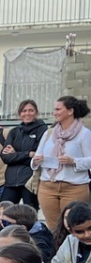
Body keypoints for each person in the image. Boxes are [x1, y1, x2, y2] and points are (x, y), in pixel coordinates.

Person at [31, 96, 91, 231]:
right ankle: (56, 252)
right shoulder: (49, 133)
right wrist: (35, 161)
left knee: (73, 227)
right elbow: (36, 158)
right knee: (53, 228)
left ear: (70, 111)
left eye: (58, 109)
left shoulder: (84, 134)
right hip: (47, 186)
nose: (54, 113)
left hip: (74, 187)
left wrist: (74, 161)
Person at [0, 100, 47, 206]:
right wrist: (28, 154)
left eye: (31, 110)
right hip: (11, 181)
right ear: (19, 114)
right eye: (24, 111)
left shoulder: (43, 131)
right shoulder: (14, 132)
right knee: (4, 212)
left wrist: (15, 154)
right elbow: (5, 157)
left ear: (36, 112)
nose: (27, 113)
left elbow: (39, 158)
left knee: (29, 214)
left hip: (30, 181)